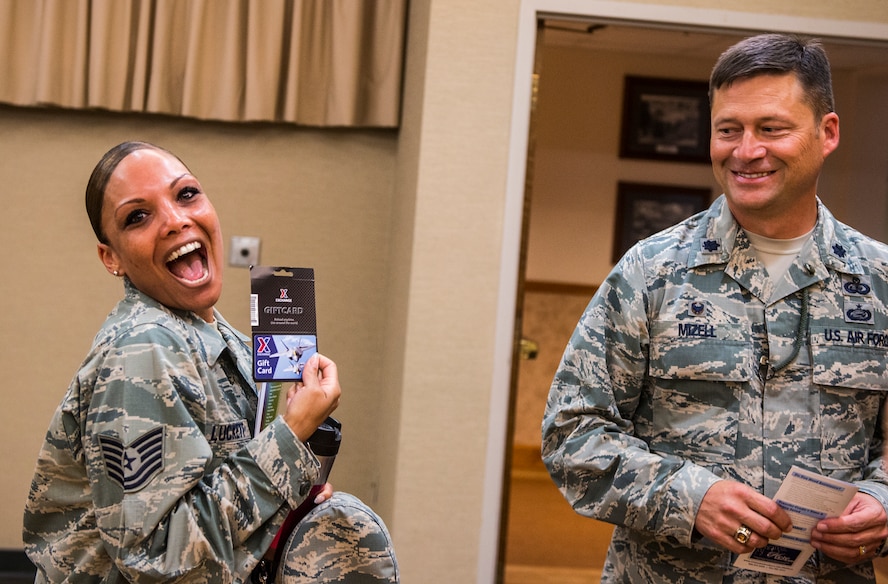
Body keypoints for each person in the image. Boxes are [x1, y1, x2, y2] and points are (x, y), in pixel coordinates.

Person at [541, 33, 888, 583]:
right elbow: (572, 434)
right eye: (729, 129)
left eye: (771, 128)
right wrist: (690, 497)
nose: (746, 150)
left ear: (828, 133)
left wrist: (880, 503)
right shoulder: (650, 272)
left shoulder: (879, 282)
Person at [22, 141, 398, 583]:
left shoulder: (223, 340)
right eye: (137, 216)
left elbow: (220, 501)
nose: (176, 220)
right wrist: (290, 437)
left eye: (186, 194)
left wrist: (289, 504)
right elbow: (156, 558)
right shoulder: (144, 347)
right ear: (112, 258)